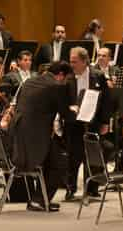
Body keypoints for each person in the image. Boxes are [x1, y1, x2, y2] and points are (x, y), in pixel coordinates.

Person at [9, 61, 76, 211]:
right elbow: (65, 113)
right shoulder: (56, 86)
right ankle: (38, 200)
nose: (65, 82)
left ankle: (40, 199)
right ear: (60, 75)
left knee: (52, 160)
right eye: (66, 79)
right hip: (34, 139)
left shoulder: (30, 81)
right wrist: (77, 111)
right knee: (60, 163)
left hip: (18, 135)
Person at [65, 46, 113, 200]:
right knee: (74, 157)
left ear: (85, 61)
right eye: (70, 61)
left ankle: (92, 188)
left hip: (93, 122)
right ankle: (70, 189)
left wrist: (105, 122)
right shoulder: (67, 76)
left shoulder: (98, 76)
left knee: (93, 156)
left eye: (75, 62)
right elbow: (62, 98)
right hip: (74, 122)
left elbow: (107, 101)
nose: (71, 65)